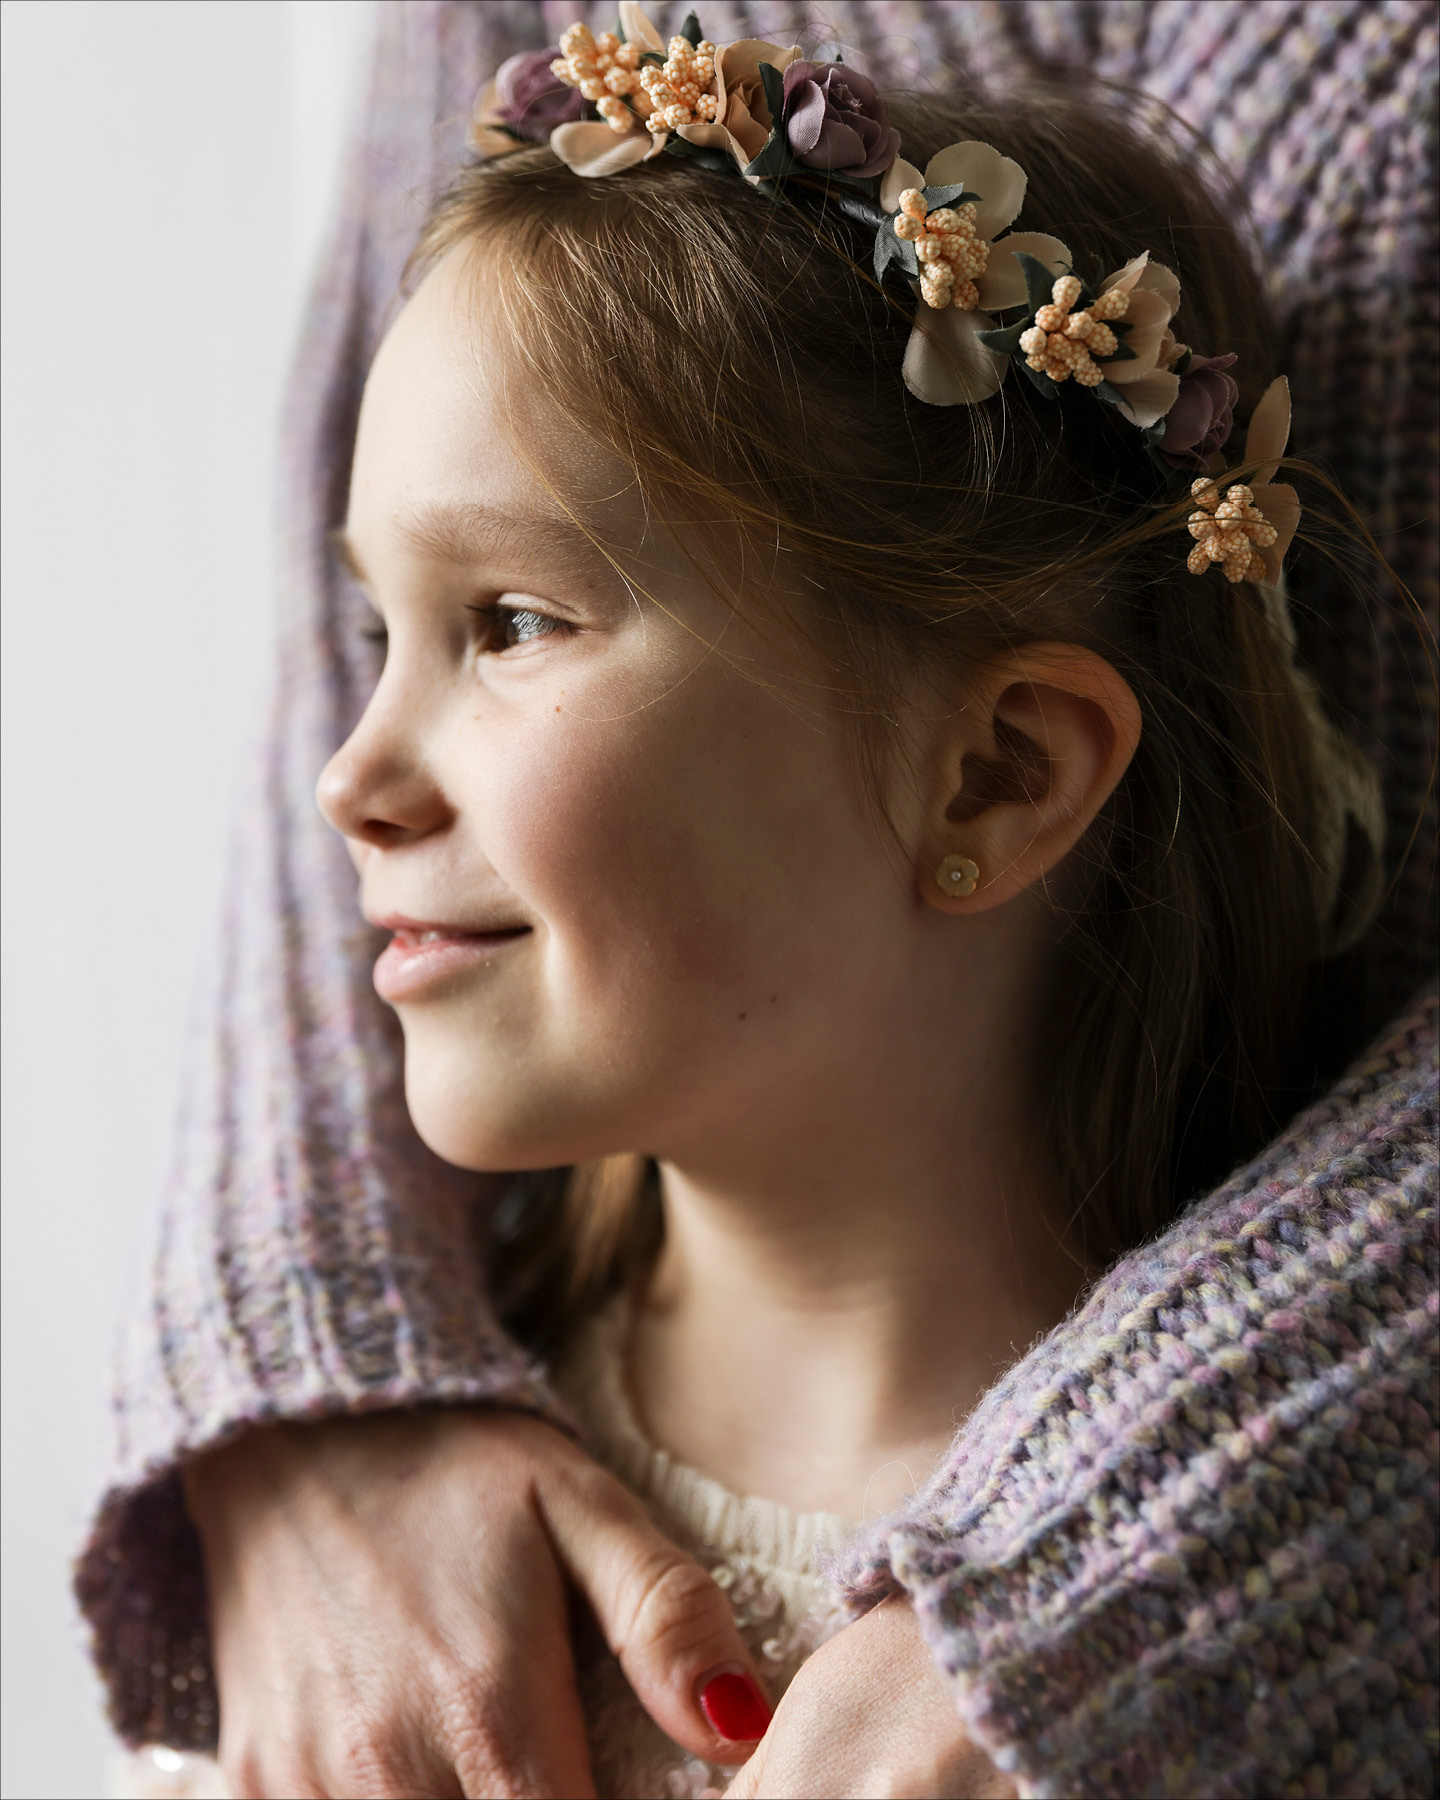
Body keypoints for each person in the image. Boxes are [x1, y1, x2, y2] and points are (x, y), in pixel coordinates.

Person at [82, 5, 1438, 1798]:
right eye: (371, 630)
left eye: (507, 625)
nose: (347, 778)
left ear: (999, 775)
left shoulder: (1315, 1677)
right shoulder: (363, 1644)